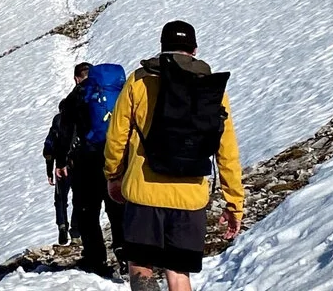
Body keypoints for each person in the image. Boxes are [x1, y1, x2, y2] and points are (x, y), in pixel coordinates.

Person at [103, 21, 244, 291]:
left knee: (141, 265)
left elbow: (116, 136)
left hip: (144, 192)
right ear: (194, 49)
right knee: (179, 273)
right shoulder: (209, 88)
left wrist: (113, 175)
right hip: (190, 198)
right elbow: (226, 150)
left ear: (162, 47)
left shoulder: (140, 79)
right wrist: (234, 203)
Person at [57, 62, 127, 278]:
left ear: (78, 78)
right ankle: (125, 256)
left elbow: (65, 130)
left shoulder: (76, 96)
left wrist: (60, 162)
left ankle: (95, 260)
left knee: (87, 211)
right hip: (115, 159)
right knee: (117, 210)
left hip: (86, 163)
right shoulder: (119, 92)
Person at [43, 109, 75, 245]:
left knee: (60, 199)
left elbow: (48, 148)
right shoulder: (76, 121)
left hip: (60, 169)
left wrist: (49, 171)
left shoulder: (56, 122)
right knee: (80, 199)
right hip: (77, 165)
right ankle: (76, 232)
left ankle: (62, 225)